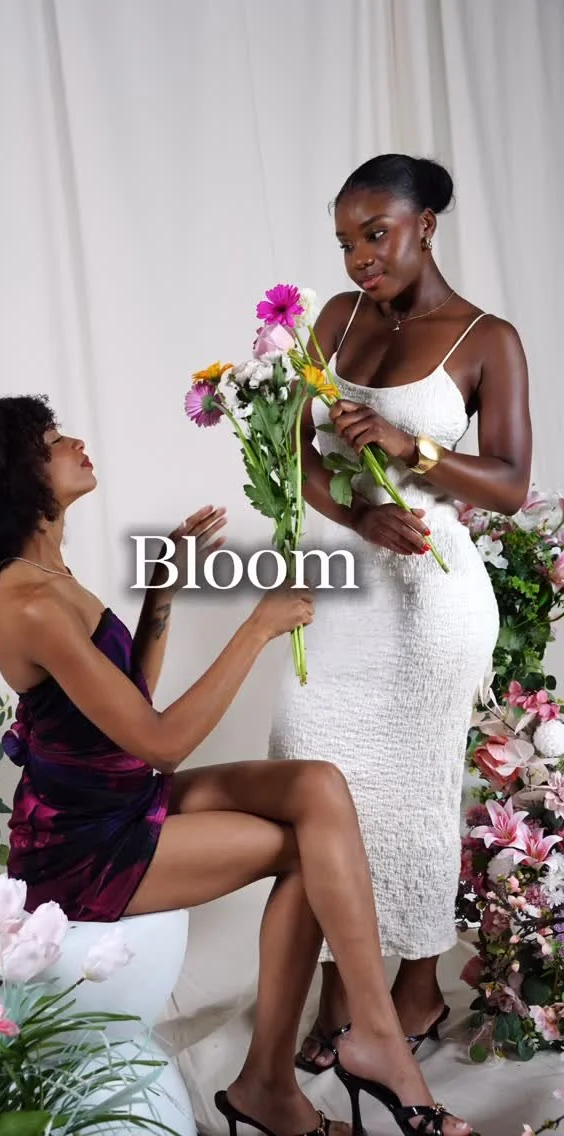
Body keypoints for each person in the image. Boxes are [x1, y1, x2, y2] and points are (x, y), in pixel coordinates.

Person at [0, 394, 479, 1136]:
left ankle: (349, 1043)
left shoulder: (49, 577)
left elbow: (128, 704)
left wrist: (163, 588)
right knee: (310, 848)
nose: (75, 442)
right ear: (13, 480)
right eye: (52, 441)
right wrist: (256, 629)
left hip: (123, 800)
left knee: (317, 786)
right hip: (83, 846)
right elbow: (159, 742)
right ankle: (294, 1078)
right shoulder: (29, 604)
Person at [268, 153, 532, 1074]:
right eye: (346, 242)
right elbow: (292, 452)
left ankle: (412, 989)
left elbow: (510, 483)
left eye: (375, 235)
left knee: (412, 799)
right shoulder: (334, 321)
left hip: (432, 598)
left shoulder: (487, 339)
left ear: (426, 225)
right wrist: (355, 517)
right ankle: (345, 992)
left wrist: (413, 449)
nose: (358, 259)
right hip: (347, 584)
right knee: (312, 770)